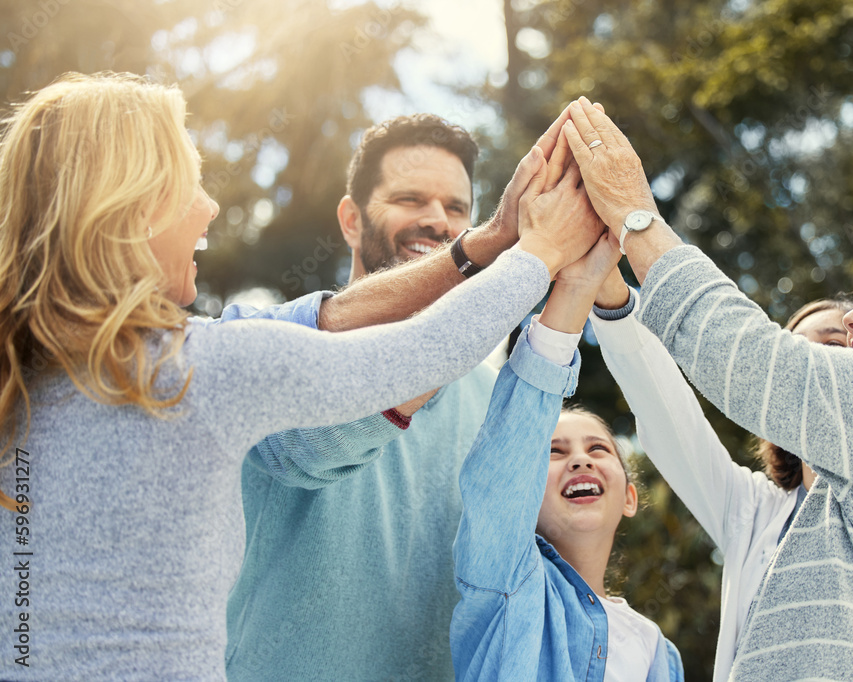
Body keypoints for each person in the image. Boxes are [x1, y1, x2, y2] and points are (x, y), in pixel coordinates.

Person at [0, 73, 601, 680]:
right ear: (127, 207)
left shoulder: (19, 390)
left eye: (455, 207)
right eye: (187, 184)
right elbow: (426, 348)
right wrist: (540, 248)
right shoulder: (202, 371)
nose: (209, 205)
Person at [562, 96, 853, 679]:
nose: (850, 321)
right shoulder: (801, 507)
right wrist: (610, 297)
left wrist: (634, 214)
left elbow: (750, 358)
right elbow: (675, 420)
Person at [224, 112, 581, 680]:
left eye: (457, 209)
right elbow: (312, 445)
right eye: (410, 199)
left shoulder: (499, 400)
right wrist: (493, 252)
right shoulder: (268, 347)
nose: (438, 222)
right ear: (350, 218)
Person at [450, 212, 684, 681]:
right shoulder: (506, 586)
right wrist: (578, 287)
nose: (579, 457)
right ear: (526, 492)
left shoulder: (658, 653)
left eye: (599, 449)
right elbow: (504, 468)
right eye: (553, 453)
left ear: (630, 497)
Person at [589, 286, 851, 681]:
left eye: (834, 343)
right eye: (793, 348)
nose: (808, 359)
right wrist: (607, 289)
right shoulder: (753, 511)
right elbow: (666, 410)